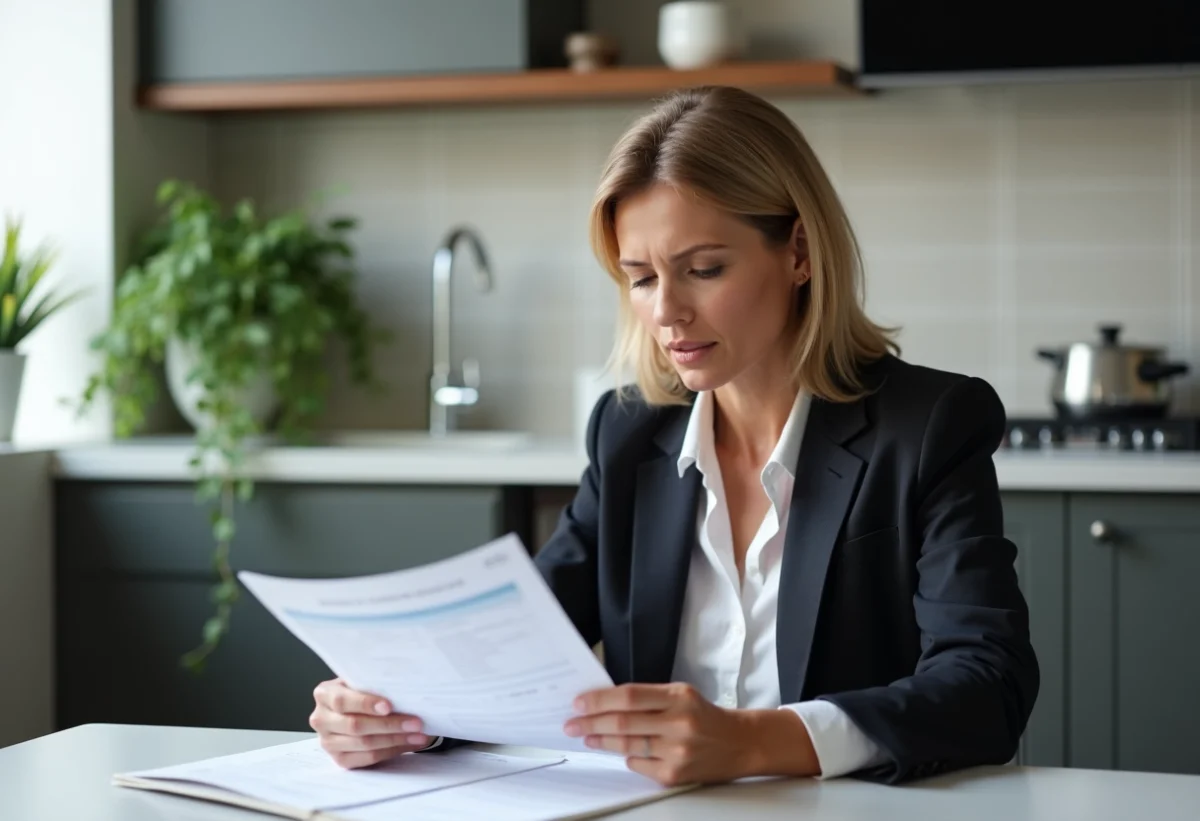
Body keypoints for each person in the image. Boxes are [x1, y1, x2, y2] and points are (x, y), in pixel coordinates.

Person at [308, 85, 1039, 787]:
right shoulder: (628, 432)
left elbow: (987, 684)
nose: (667, 312)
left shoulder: (929, 427)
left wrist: (754, 739)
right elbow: (513, 647)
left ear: (799, 252)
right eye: (641, 277)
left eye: (703, 269)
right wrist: (395, 713)